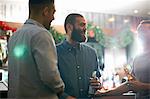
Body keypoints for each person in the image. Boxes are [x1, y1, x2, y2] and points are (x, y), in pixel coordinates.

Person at [8, 0, 64, 98]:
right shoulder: (41, 34)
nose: (53, 18)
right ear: (45, 11)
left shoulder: (15, 35)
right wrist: (60, 88)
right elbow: (49, 75)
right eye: (53, 12)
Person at [95, 20, 150, 99]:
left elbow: (137, 85)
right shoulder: (137, 58)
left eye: (143, 31)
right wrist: (105, 93)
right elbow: (130, 85)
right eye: (139, 32)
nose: (139, 34)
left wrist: (142, 86)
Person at [57, 13, 101, 99]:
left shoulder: (91, 53)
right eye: (82, 25)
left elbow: (97, 79)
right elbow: (49, 85)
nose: (85, 29)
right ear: (69, 27)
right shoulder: (55, 53)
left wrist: (97, 84)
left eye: (85, 25)